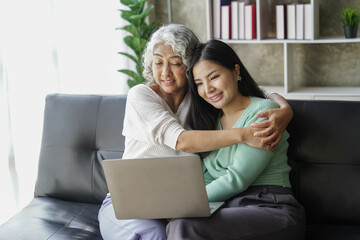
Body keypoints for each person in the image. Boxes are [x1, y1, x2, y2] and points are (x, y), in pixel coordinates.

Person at [98, 24, 295, 240]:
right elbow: (182, 141)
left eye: (175, 63)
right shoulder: (142, 96)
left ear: (190, 66)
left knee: (179, 228)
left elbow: (253, 94)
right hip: (130, 199)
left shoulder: (203, 102)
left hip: (194, 201)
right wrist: (243, 134)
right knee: (155, 235)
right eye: (158, 63)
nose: (165, 72)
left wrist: (284, 109)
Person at [166, 39, 306, 240]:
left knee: (184, 224)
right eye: (199, 84)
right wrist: (171, 200)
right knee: (178, 223)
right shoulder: (212, 124)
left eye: (213, 77)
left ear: (235, 71)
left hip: (270, 207)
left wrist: (184, 203)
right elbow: (206, 177)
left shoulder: (263, 113)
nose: (208, 89)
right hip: (229, 208)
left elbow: (237, 179)